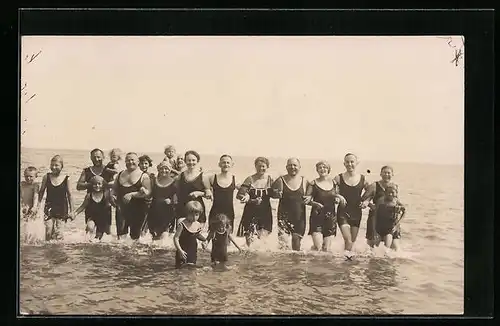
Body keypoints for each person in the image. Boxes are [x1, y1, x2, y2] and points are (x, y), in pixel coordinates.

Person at [304, 161, 347, 252]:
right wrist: (315, 204)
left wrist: (339, 198)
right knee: (319, 248)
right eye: (320, 167)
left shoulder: (334, 183)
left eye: (325, 167)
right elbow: (306, 200)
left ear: (328, 169)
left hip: (330, 218)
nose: (322, 169)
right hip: (317, 217)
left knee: (326, 249)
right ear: (317, 170)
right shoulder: (313, 183)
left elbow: (336, 196)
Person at [333, 153, 370, 258]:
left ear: (356, 163)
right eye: (347, 162)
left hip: (357, 213)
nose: (349, 164)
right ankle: (346, 265)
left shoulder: (363, 179)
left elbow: (371, 192)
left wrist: (366, 201)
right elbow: (330, 191)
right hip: (343, 213)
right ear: (344, 163)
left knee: (351, 242)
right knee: (348, 240)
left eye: (352, 162)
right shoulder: (338, 178)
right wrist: (338, 196)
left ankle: (347, 265)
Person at [111, 152, 152, 240]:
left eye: (132, 160)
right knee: (121, 237)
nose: (130, 162)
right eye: (128, 160)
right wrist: (112, 195)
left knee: (135, 237)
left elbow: (148, 192)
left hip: (138, 210)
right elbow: (114, 188)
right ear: (125, 162)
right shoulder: (120, 174)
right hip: (122, 209)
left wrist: (132, 195)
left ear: (137, 162)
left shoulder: (143, 176)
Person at [271, 158, 309, 251]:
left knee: (296, 247)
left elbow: (314, 194)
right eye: (290, 165)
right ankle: (284, 265)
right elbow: (270, 192)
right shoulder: (280, 180)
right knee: (283, 246)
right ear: (286, 167)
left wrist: (310, 198)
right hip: (284, 216)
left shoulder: (305, 181)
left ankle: (295, 265)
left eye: (295, 165)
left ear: (299, 167)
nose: (292, 167)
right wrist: (275, 194)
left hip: (299, 218)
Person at [236, 157, 274, 247]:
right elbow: (239, 195)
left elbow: (276, 193)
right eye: (259, 166)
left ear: (267, 167)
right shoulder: (250, 179)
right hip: (250, 211)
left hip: (265, 212)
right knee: (250, 240)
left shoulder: (270, 180)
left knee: (263, 240)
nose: (261, 168)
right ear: (255, 167)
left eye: (263, 166)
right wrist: (249, 199)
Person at [37, 155, 74, 241]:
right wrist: (38, 206)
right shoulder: (46, 177)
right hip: (49, 206)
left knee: (59, 233)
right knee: (48, 231)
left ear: (62, 166)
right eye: (52, 165)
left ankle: (58, 252)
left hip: (62, 208)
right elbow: (41, 192)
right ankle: (48, 251)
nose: (53, 167)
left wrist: (72, 211)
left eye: (56, 165)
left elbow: (70, 195)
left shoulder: (66, 178)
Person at [361, 165, 399, 248]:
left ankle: (388, 261)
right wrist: (371, 205)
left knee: (395, 248)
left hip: (390, 220)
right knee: (372, 246)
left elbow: (396, 203)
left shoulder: (394, 186)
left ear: (392, 174)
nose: (386, 175)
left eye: (389, 173)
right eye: (384, 173)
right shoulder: (375, 185)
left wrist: (397, 223)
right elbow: (363, 198)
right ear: (380, 174)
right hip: (376, 217)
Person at [175, 150, 212, 228]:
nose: (191, 162)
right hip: (182, 209)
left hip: (197, 210)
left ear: (197, 161)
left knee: (195, 234)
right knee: (181, 234)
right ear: (185, 161)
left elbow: (209, 195)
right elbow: (175, 190)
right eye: (188, 160)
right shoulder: (180, 176)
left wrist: (199, 193)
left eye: (193, 160)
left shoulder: (203, 176)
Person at [73, 175, 113, 241]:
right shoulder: (89, 196)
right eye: (94, 184)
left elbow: (113, 204)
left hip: (103, 218)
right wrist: (75, 213)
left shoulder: (106, 195)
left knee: (99, 237)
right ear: (91, 185)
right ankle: (86, 240)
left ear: (103, 185)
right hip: (91, 216)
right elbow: (82, 206)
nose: (97, 186)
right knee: (90, 227)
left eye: (99, 184)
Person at [208, 155, 239, 232]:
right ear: (219, 164)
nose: (226, 164)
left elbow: (243, 191)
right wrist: (206, 191)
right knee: (213, 236)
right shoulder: (212, 178)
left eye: (228, 162)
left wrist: (246, 195)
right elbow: (202, 187)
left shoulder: (235, 179)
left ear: (232, 164)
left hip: (229, 212)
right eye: (223, 162)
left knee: (227, 237)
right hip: (215, 212)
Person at [148, 161, 177, 240]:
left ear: (170, 170)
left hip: (168, 212)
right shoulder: (154, 180)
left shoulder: (174, 182)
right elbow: (149, 195)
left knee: (164, 237)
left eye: (166, 169)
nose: (164, 171)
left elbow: (177, 199)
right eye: (162, 169)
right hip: (154, 211)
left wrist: (171, 201)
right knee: (155, 237)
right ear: (158, 170)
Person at [173, 201, 207, 269]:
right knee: (181, 268)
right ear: (187, 213)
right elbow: (175, 238)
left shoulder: (197, 224)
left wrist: (204, 241)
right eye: (192, 215)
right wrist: (180, 250)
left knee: (192, 267)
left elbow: (197, 235)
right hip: (183, 250)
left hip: (193, 250)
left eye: (196, 215)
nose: (194, 217)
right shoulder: (182, 225)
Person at [372, 183, 406, 250]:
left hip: (390, 228)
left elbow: (404, 212)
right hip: (379, 227)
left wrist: (397, 225)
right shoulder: (380, 201)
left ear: (396, 193)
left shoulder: (397, 202)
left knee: (387, 247)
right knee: (374, 248)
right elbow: (375, 216)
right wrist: (374, 230)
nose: (390, 194)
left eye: (392, 192)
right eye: (388, 192)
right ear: (385, 192)